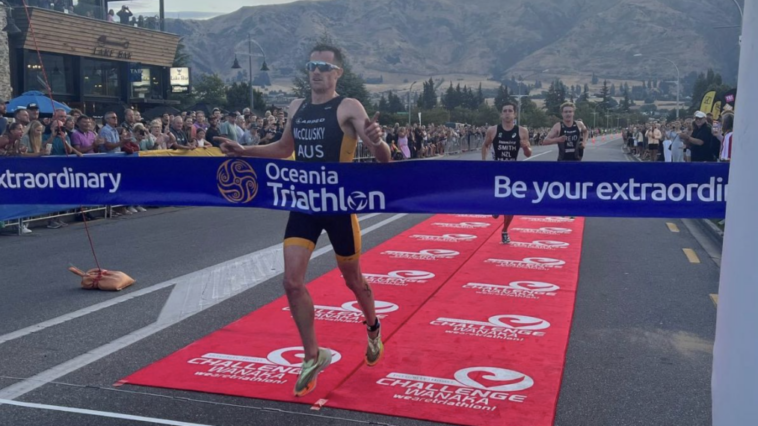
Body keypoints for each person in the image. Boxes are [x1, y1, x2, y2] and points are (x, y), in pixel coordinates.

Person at [219, 43, 391, 397]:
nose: (316, 72)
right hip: (304, 203)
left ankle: (373, 327)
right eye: (312, 65)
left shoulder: (348, 107)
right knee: (291, 282)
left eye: (324, 67)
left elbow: (383, 159)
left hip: (339, 206)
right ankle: (313, 354)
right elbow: (284, 149)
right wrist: (245, 151)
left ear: (337, 73)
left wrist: (378, 142)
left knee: (354, 280)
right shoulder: (296, 107)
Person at [481, 101, 532, 244]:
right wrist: (484, 162)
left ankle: (505, 230)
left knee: (511, 204)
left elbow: (528, 154)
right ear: (501, 114)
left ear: (515, 114)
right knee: (497, 200)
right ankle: (496, 205)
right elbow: (485, 146)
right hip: (496, 169)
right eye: (505, 111)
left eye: (510, 111)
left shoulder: (522, 131)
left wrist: (526, 148)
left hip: (512, 170)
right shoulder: (493, 130)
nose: (508, 113)